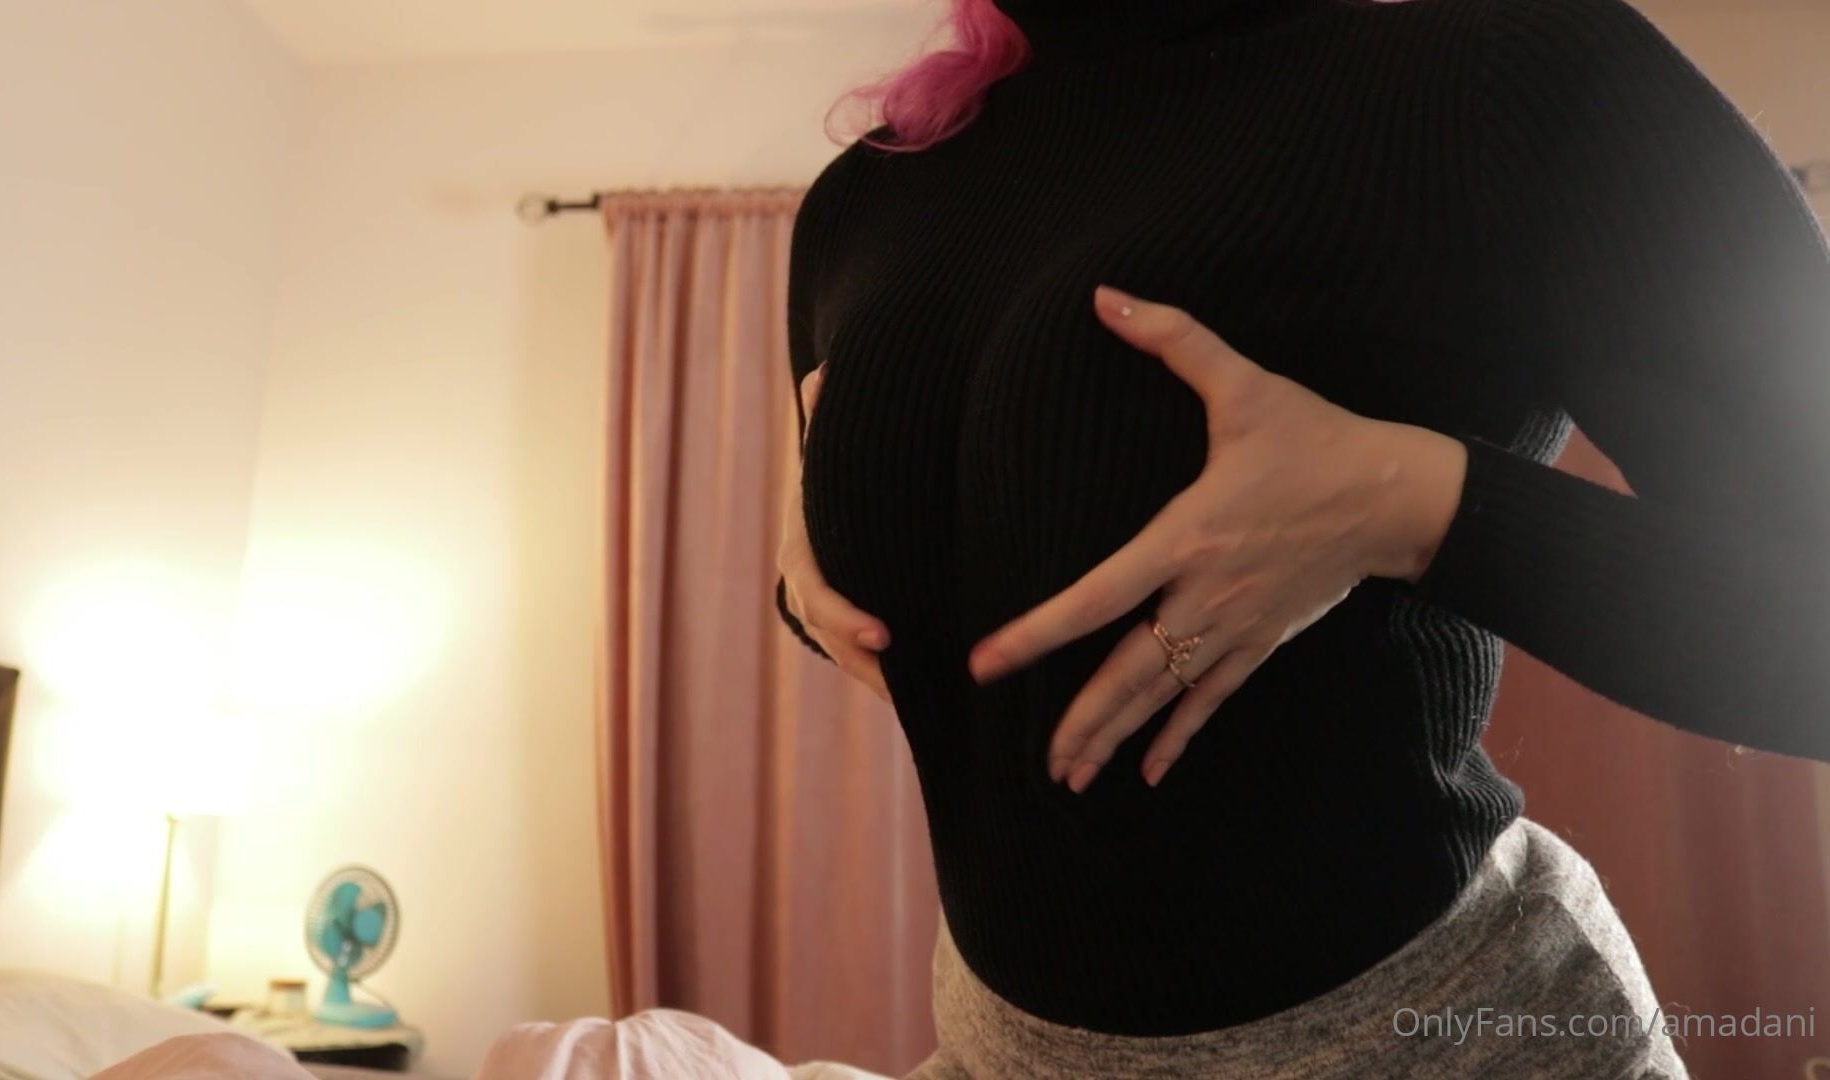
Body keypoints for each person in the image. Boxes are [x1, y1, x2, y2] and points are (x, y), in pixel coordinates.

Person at [772, 0, 1830, 1075]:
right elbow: (956, 590)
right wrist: (826, 546)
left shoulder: (1510, 78)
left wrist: (1416, 503)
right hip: (1000, 1052)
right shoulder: (869, 194)